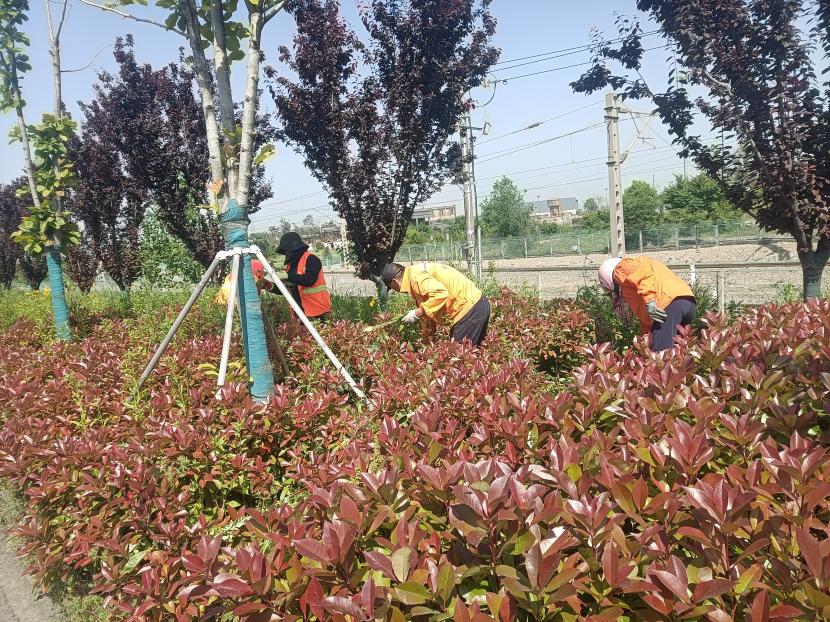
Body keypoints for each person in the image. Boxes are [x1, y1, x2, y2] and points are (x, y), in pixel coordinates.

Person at [598, 255, 696, 352]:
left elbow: (644, 277)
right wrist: (645, 343)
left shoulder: (621, 268)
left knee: (661, 355)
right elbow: (646, 319)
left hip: (667, 304)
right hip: (688, 302)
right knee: (679, 352)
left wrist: (651, 302)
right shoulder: (641, 263)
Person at [380, 261, 490, 346]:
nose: (394, 290)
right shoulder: (414, 274)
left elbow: (440, 294)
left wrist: (417, 313)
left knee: (457, 356)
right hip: (477, 305)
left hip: (470, 310)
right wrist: (427, 337)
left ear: (395, 282)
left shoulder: (416, 277)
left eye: (391, 287)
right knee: (474, 355)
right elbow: (430, 308)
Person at [277, 232, 332, 321]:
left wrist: (288, 276)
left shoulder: (311, 259)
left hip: (318, 311)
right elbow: (288, 288)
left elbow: (309, 280)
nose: (286, 254)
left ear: (293, 248)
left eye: (286, 251)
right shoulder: (291, 265)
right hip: (300, 312)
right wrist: (270, 286)